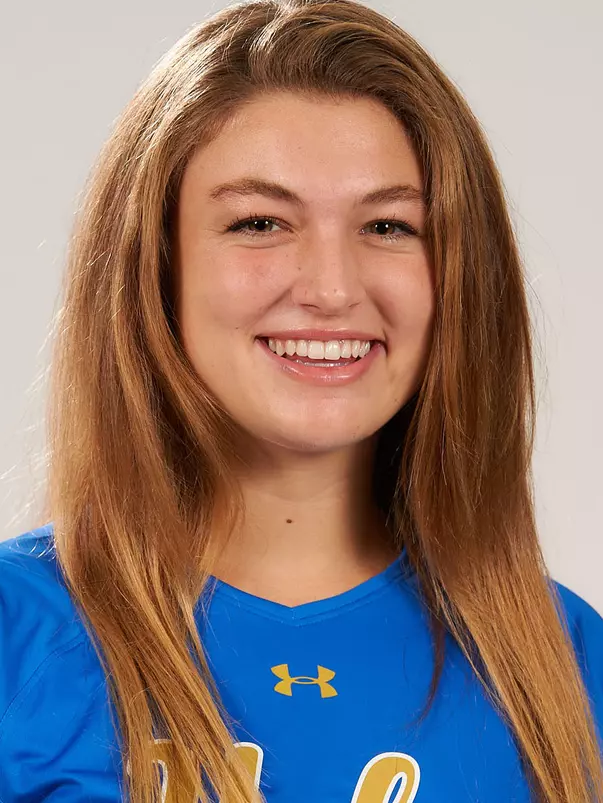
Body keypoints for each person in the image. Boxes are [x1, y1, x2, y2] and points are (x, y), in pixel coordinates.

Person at [0, 0, 602, 801]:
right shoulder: (18, 630)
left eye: (388, 226)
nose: (330, 288)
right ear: (157, 267)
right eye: (259, 221)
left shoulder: (566, 664)